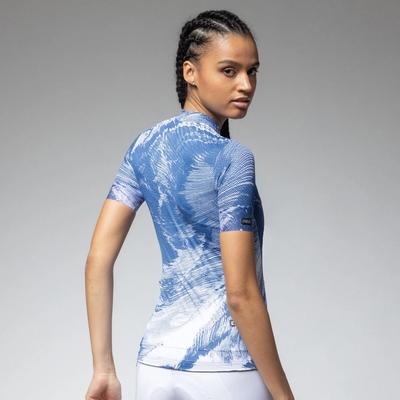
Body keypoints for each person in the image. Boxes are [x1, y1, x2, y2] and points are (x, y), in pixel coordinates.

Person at [85, 10, 295, 400]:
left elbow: (98, 259)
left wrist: (104, 370)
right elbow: (240, 294)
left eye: (252, 72)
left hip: (155, 366)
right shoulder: (233, 158)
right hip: (226, 368)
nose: (246, 84)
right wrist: (284, 395)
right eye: (229, 71)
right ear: (190, 72)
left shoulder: (144, 146)